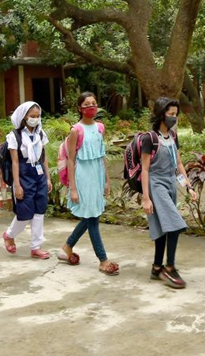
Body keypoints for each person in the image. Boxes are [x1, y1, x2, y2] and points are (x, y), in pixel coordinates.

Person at [58, 92, 119, 275]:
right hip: (83, 177)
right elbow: (70, 160)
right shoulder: (75, 130)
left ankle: (67, 246)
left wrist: (107, 181)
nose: (91, 107)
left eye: (93, 103)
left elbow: (102, 156)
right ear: (79, 108)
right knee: (93, 219)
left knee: (91, 216)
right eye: (86, 104)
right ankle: (103, 260)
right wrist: (73, 188)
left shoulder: (100, 128)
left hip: (97, 175)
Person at [140, 97, 198, 289]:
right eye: (170, 114)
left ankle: (157, 267)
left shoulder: (173, 136)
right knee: (174, 224)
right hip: (156, 185)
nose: (174, 117)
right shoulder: (150, 138)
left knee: (163, 226)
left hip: (171, 183)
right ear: (160, 114)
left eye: (175, 114)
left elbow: (178, 163)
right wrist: (146, 198)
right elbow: (145, 169)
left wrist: (188, 186)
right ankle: (170, 267)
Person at [2, 102, 52, 259]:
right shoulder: (14, 136)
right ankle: (9, 235)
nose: (35, 119)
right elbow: (15, 162)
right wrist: (17, 185)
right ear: (24, 116)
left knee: (39, 211)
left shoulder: (40, 134)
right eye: (32, 116)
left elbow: (44, 158)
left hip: (39, 174)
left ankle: (36, 247)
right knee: (25, 213)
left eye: (38, 116)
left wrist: (48, 178)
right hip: (24, 174)